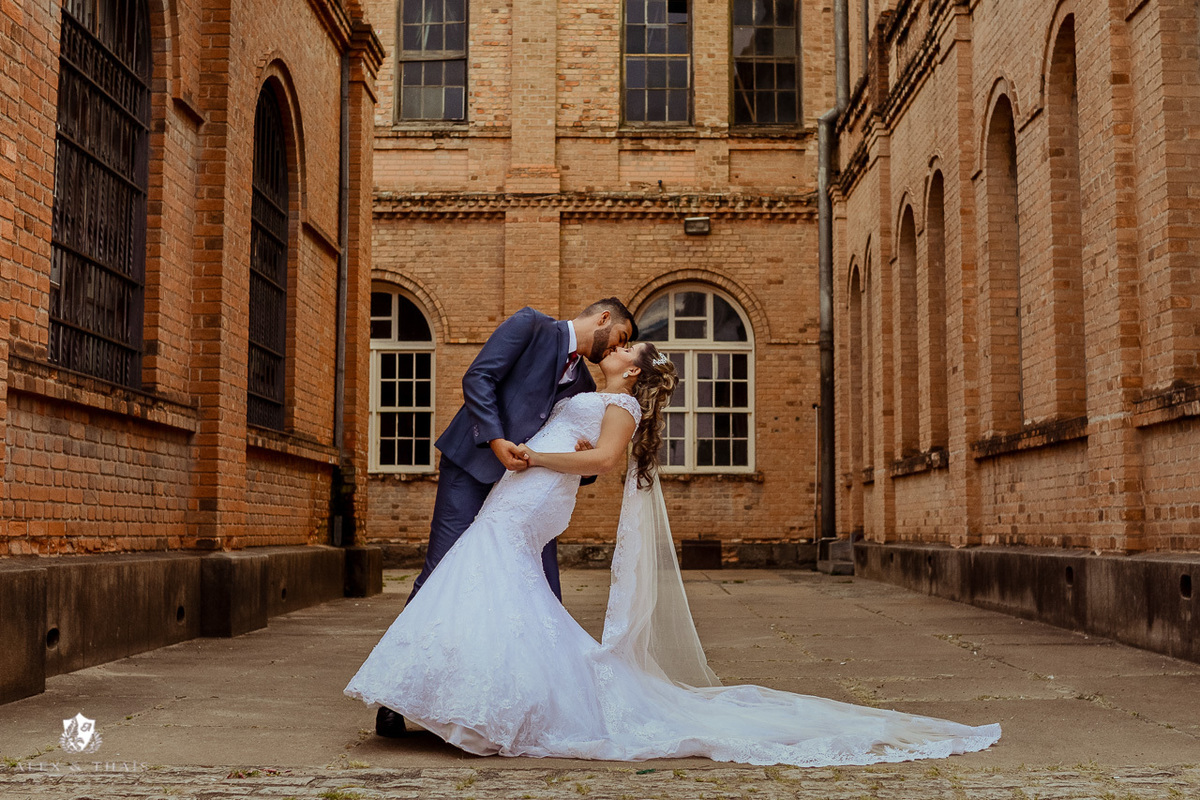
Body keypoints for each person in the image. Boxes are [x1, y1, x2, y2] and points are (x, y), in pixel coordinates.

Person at [346, 342, 1002, 766]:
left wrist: (536, 458)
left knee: (490, 567)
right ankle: (477, 697)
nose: (614, 348)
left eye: (624, 349)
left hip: (535, 489)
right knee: (499, 581)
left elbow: (604, 459)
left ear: (633, 370)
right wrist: (546, 453)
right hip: (531, 489)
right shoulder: (599, 394)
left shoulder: (621, 403)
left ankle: (481, 701)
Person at [373, 298, 636, 738]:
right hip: (472, 467)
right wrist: (495, 439)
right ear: (604, 318)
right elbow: (479, 377)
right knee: (440, 572)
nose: (616, 348)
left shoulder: (585, 382)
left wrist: (583, 458)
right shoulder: (531, 325)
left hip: (528, 494)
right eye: (621, 337)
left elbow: (574, 444)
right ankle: (395, 697)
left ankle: (535, 704)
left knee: (543, 587)